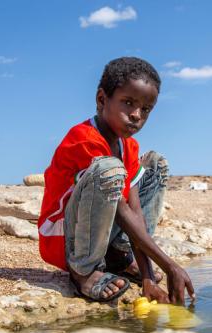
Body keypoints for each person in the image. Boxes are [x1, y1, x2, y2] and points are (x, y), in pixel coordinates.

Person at [38, 57, 195, 305]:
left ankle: (120, 257)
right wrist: (170, 266)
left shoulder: (128, 145)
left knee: (155, 164)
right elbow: (121, 211)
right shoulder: (84, 139)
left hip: (99, 229)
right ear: (102, 100)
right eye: (128, 103)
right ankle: (83, 271)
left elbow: (134, 211)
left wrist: (149, 277)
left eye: (145, 109)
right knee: (110, 168)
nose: (136, 115)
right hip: (66, 237)